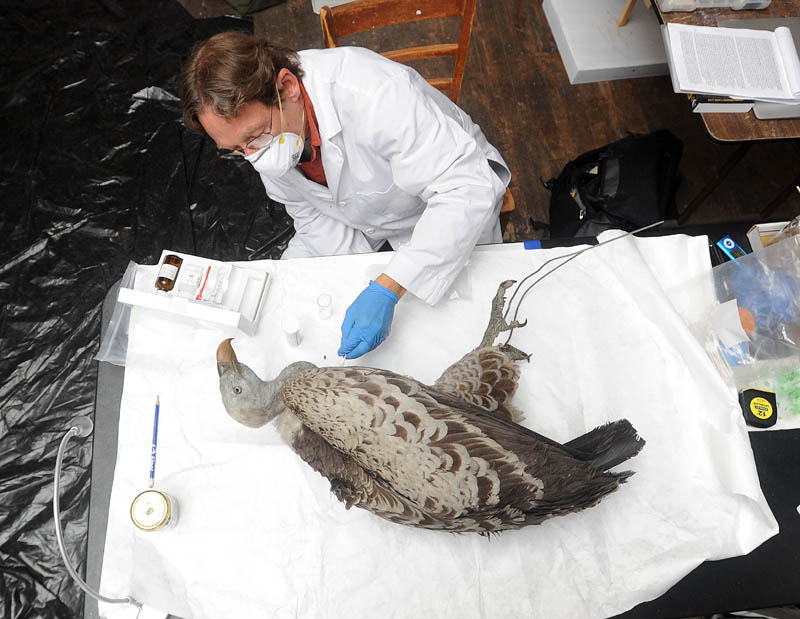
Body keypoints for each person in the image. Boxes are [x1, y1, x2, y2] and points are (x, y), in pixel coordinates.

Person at [180, 31, 510, 359]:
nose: (253, 156)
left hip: (455, 207)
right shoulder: (267, 141)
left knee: (471, 331)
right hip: (379, 216)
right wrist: (281, 286)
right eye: (237, 150)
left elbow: (465, 188)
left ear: (288, 87)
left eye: (255, 137)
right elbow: (317, 221)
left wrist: (389, 286)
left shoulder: (374, 93)